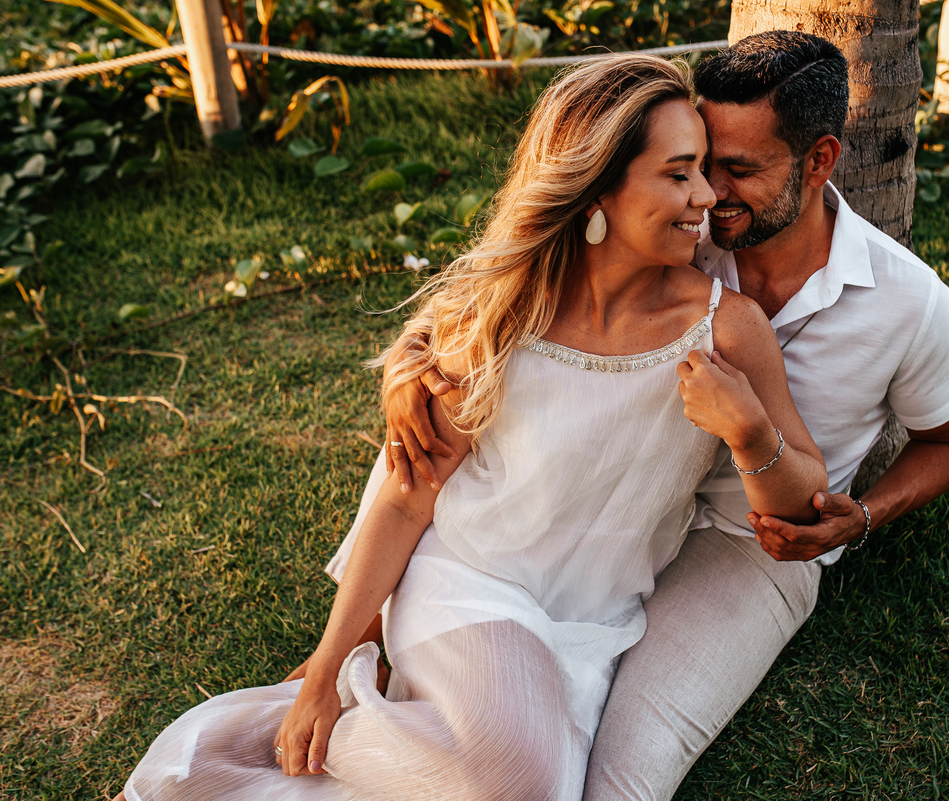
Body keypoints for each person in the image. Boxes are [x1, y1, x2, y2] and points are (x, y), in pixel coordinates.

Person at [113, 54, 827, 801]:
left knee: (529, 786)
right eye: (678, 174)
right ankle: (230, 751)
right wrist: (326, 666)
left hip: (592, 628)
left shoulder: (728, 329)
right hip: (468, 586)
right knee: (516, 781)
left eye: (705, 170)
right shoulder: (507, 318)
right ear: (598, 191)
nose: (707, 197)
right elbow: (406, 498)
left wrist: (749, 433)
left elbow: (803, 498)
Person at [382, 31, 949, 801]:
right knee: (522, 746)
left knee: (621, 781)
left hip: (744, 548)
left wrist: (860, 516)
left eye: (738, 169)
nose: (710, 191)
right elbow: (526, 278)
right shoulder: (676, 234)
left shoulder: (909, 301)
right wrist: (417, 346)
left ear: (820, 160)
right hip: (612, 515)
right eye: (698, 161)